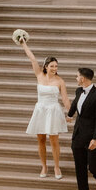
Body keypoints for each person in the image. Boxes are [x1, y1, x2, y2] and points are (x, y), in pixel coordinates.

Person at [18, 37, 70, 178]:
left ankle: (57, 167)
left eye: (56, 66)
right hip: (40, 109)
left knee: (54, 140)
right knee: (40, 139)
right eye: (52, 66)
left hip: (53, 110)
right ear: (46, 66)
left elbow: (65, 99)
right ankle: (44, 166)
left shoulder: (60, 81)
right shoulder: (39, 75)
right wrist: (23, 44)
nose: (54, 68)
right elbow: (32, 59)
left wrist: (70, 114)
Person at [66, 67, 96, 190]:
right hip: (78, 136)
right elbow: (75, 104)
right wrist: (69, 116)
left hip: (93, 137)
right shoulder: (78, 91)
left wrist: (95, 139)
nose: (76, 79)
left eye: (77, 76)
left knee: (93, 166)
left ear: (83, 78)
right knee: (80, 169)